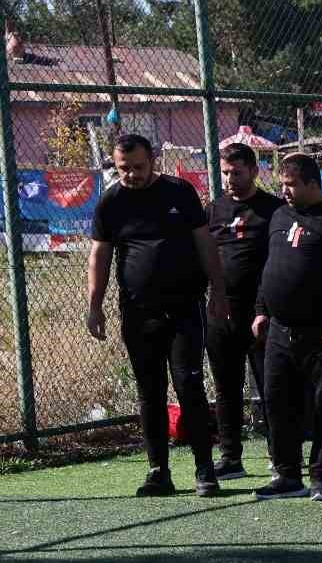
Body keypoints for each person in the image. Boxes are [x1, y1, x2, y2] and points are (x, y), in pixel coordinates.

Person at [85, 133, 229, 497]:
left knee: (189, 384)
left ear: (153, 161)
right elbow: (100, 256)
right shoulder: (110, 201)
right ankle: (158, 471)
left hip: (184, 308)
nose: (131, 174)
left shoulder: (179, 192)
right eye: (123, 168)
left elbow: (204, 242)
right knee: (149, 392)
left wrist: (218, 291)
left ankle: (204, 470)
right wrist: (94, 304)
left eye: (138, 167)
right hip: (138, 311)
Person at [250, 153, 322, 502]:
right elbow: (270, 267)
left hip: (321, 332)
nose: (285, 191)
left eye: (291, 185)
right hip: (280, 330)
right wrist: (260, 311)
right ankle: (287, 475)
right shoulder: (280, 215)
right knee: (276, 401)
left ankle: (321, 476)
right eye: (282, 184)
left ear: (313, 185)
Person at [205, 141, 284, 481]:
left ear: (254, 171)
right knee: (226, 386)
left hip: (262, 314)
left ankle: (279, 456)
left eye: (236, 172)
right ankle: (231, 457)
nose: (230, 179)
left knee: (271, 387)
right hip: (222, 313)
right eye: (225, 173)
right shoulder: (214, 210)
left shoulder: (273, 210)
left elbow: (278, 262)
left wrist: (264, 309)